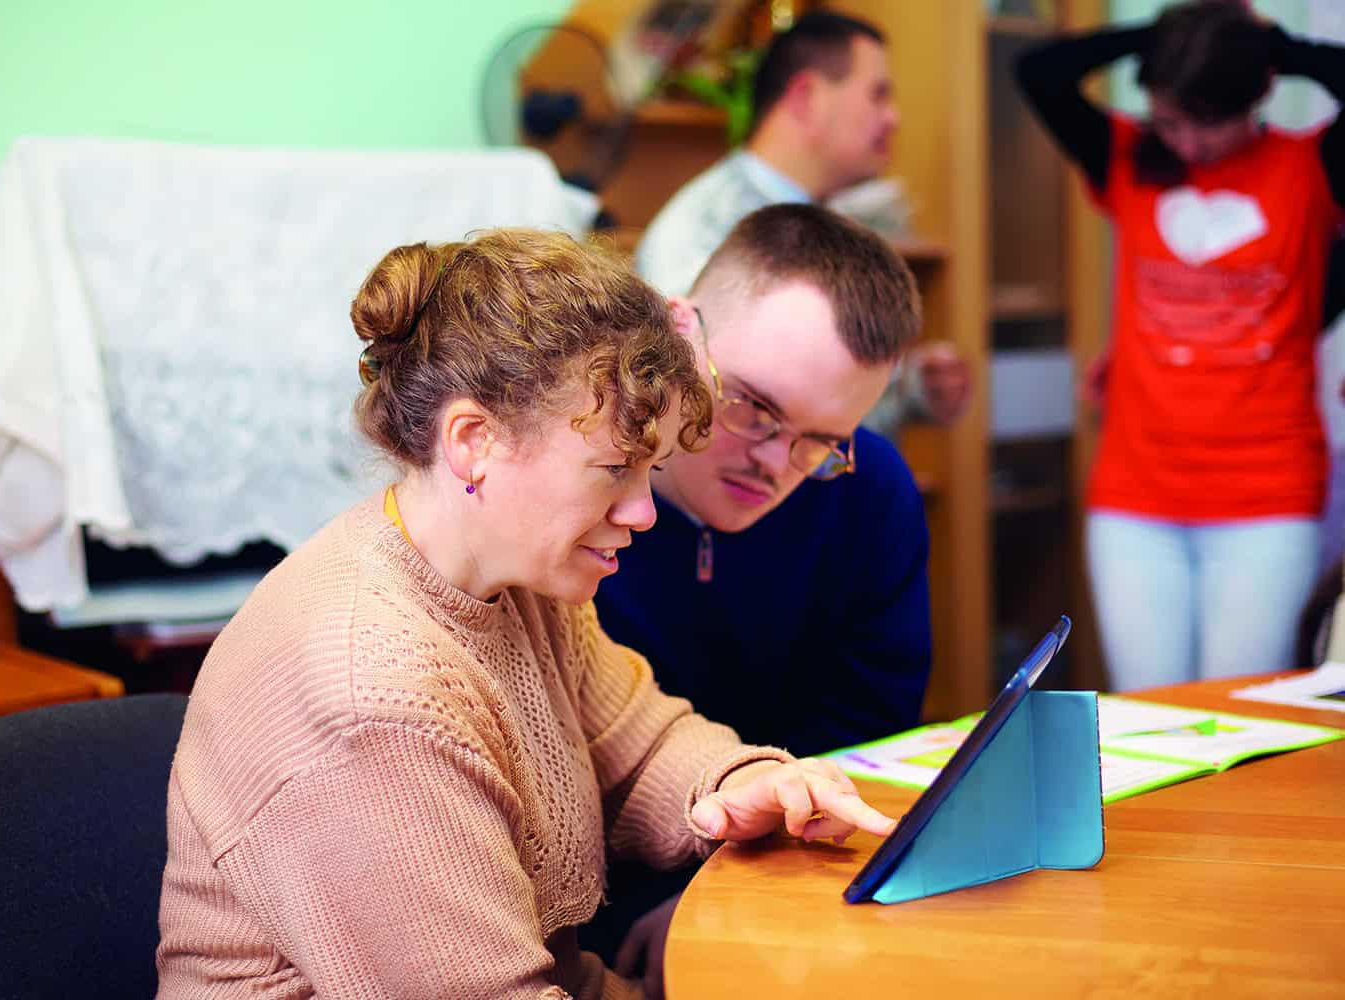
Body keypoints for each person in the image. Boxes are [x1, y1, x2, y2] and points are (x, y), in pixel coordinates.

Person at [153, 228, 897, 1000]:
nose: (643, 513)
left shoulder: (521, 582)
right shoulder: (372, 698)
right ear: (474, 441)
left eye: (652, 470)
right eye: (614, 470)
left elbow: (640, 744)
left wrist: (741, 782)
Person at [587, 204, 929, 993]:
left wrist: (730, 892)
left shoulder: (870, 488)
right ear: (679, 332)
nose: (776, 462)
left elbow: (866, 738)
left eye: (821, 440)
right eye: (751, 407)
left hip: (788, 877)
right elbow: (566, 778)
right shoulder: (569, 499)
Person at [1016, 0, 1345, 690]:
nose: (1189, 144)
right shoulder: (1130, 156)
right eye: (1171, 119)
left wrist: (1269, 48)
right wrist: (1169, 36)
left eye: (1210, 123)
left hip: (1268, 498)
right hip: (1135, 499)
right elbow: (1040, 70)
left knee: (1240, 717)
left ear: (1257, 95)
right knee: (1148, 710)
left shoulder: (1310, 166)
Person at [636, 10, 969, 437]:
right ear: (806, 96)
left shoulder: (829, 223)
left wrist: (911, 388)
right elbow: (709, 415)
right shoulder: (705, 229)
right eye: (878, 95)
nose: (894, 119)